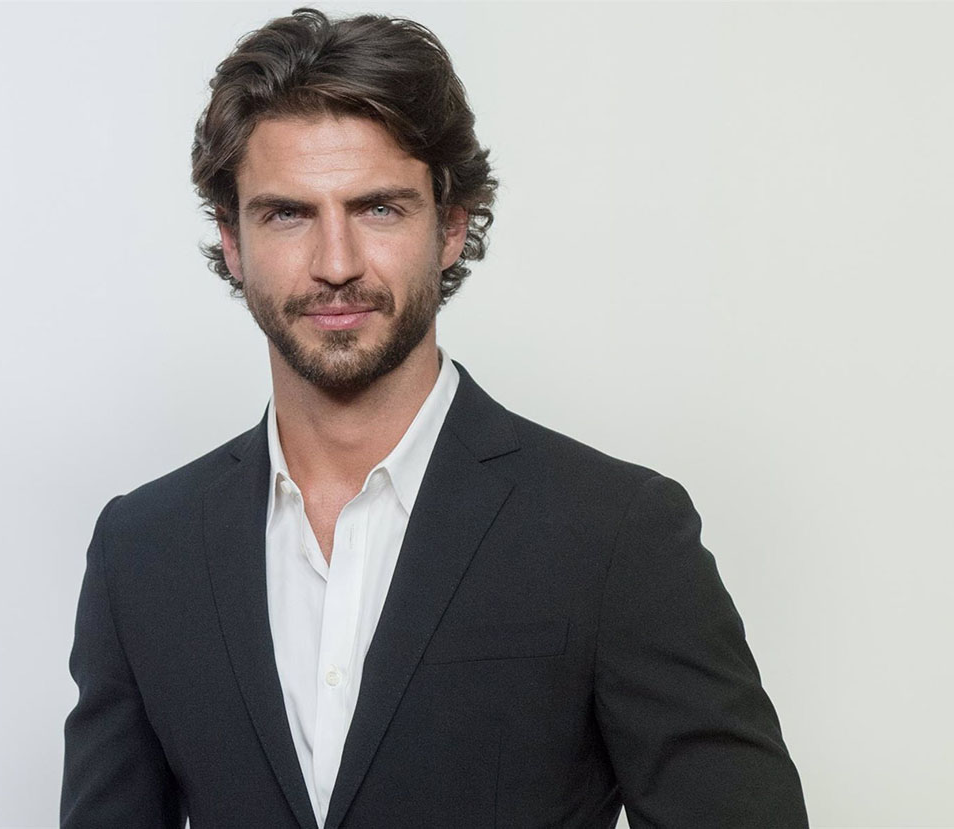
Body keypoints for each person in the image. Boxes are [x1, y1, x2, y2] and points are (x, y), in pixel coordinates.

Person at [60, 8, 808, 828]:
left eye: (378, 209)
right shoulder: (144, 551)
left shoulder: (616, 533)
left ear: (451, 226)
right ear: (232, 242)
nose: (335, 263)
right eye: (288, 213)